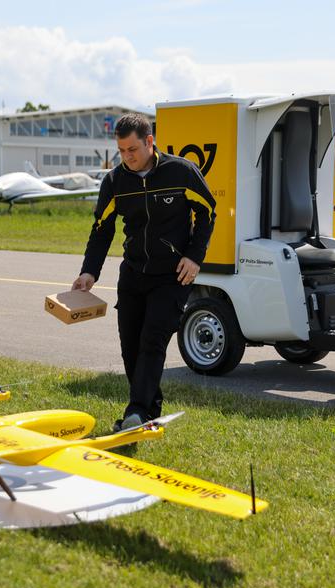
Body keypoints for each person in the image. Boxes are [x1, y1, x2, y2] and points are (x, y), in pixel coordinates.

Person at [72, 113, 216, 431]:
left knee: (153, 340)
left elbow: (207, 212)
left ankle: (135, 412)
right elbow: (101, 230)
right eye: (121, 151)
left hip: (172, 275)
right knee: (131, 346)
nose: (127, 157)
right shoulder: (115, 182)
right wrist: (89, 272)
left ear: (149, 142)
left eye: (132, 150)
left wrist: (194, 256)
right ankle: (149, 408)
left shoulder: (181, 171)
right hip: (134, 273)